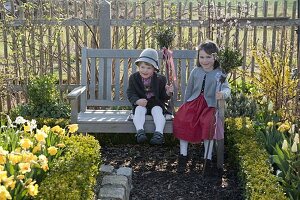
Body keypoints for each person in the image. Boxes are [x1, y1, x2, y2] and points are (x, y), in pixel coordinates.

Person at [173, 40, 231, 174]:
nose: (205, 60)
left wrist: (222, 93)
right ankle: (183, 155)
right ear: (198, 57)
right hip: (194, 103)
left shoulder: (220, 73)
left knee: (209, 123)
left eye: (209, 57)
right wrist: (185, 104)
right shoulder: (195, 71)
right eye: (202, 57)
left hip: (210, 105)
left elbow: (227, 88)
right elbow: (189, 90)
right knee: (183, 120)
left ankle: (208, 158)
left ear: (215, 57)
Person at [127, 48, 173, 145]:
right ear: (139, 66)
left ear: (154, 69)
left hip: (155, 104)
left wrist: (168, 92)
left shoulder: (161, 79)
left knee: (157, 111)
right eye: (142, 67)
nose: (145, 70)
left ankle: (159, 133)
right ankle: (140, 132)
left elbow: (163, 97)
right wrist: (137, 101)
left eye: (149, 68)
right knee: (139, 110)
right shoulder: (134, 78)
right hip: (141, 103)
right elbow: (131, 92)